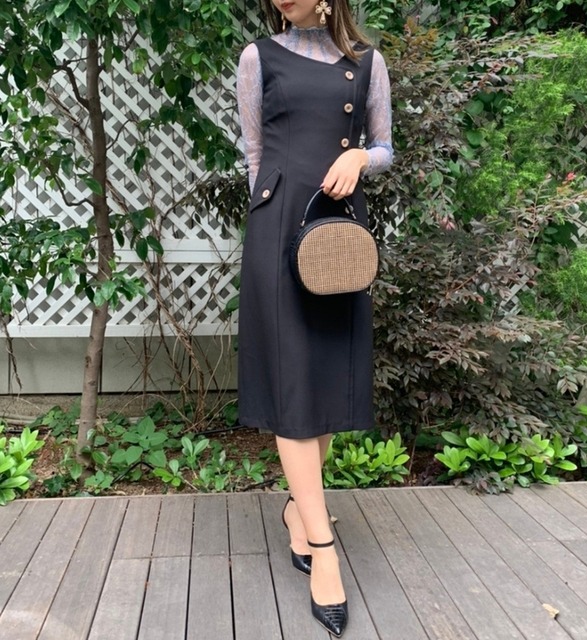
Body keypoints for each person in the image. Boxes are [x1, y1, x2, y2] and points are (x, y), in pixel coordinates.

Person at [236, 0, 393, 635]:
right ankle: (323, 550)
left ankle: (299, 511)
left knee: (324, 378)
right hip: (277, 231)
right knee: (293, 380)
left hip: (337, 234)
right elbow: (254, 155)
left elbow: (384, 146)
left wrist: (360, 159)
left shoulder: (367, 63)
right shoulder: (257, 58)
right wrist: (268, 221)